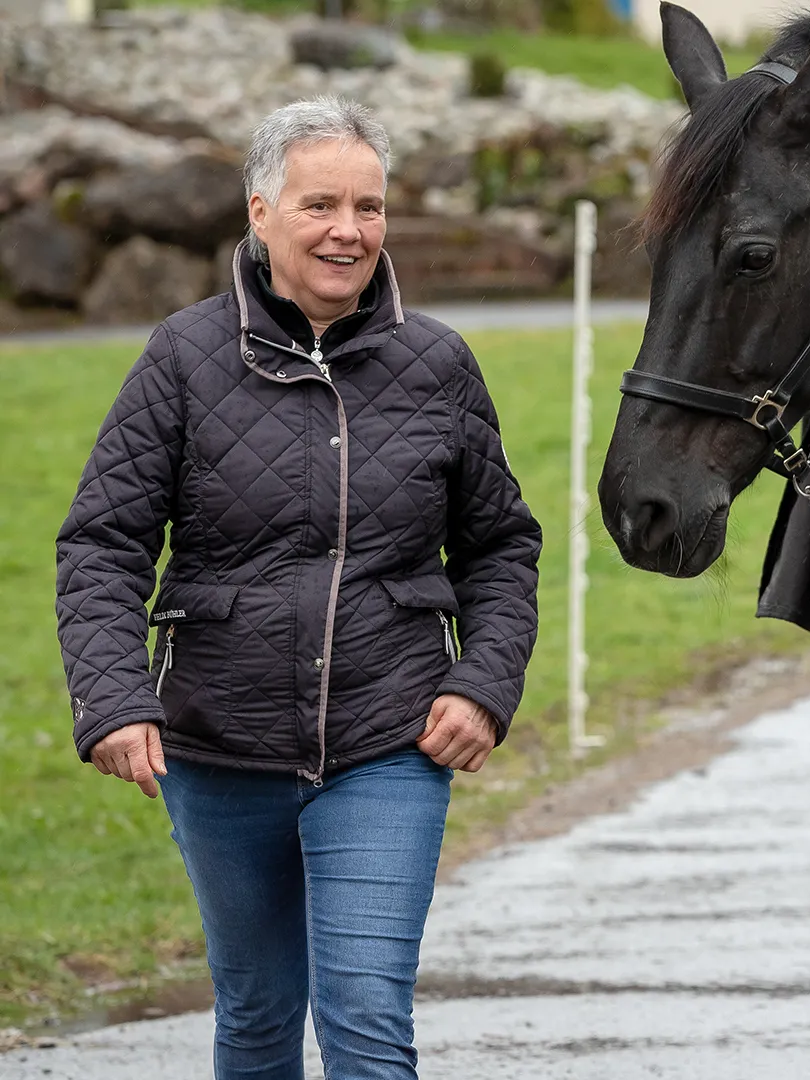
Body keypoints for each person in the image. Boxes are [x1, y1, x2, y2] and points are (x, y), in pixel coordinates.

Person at [54, 96, 541, 1079]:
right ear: (260, 211)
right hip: (219, 746)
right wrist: (112, 698)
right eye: (320, 204)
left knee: (365, 1016)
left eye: (369, 206)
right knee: (260, 1012)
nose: (349, 230)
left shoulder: (438, 362)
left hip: (388, 741)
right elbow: (102, 543)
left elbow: (500, 548)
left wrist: (483, 683)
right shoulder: (183, 360)